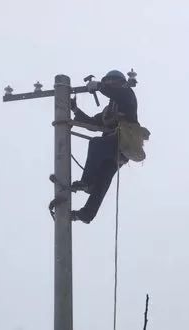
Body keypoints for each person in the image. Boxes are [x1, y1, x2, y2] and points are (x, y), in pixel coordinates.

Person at [70, 69, 149, 224]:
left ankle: (87, 181)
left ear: (120, 83)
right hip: (114, 149)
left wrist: (99, 86)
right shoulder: (108, 111)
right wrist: (75, 109)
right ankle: (87, 213)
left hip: (123, 143)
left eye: (112, 82)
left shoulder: (127, 95)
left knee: (96, 144)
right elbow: (92, 124)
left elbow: (116, 93)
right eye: (107, 82)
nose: (109, 85)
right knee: (103, 179)